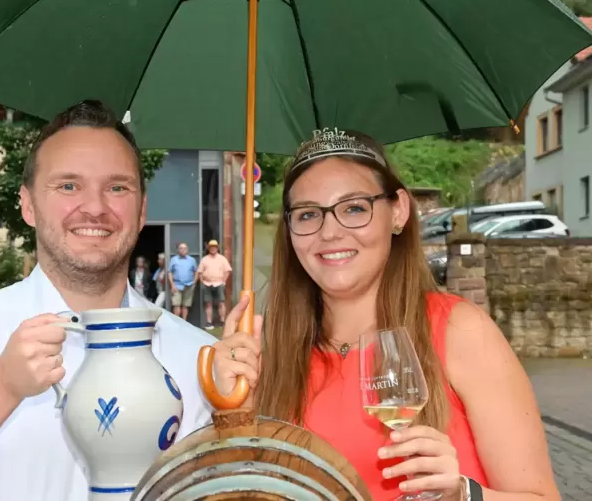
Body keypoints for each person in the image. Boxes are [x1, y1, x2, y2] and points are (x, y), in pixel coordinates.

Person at [0, 100, 218, 501]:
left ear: (141, 211)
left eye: (117, 187)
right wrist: (0, 386)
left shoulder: (202, 359)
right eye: (68, 186)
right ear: (28, 205)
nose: (96, 207)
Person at [213, 129, 561, 501]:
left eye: (354, 208)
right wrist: (232, 410)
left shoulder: (459, 331)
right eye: (308, 214)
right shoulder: (269, 355)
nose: (330, 232)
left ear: (398, 211)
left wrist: (463, 494)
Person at [196, 240, 232, 329]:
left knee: (221, 303)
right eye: (211, 247)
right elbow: (199, 272)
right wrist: (202, 282)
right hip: (207, 284)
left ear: (217, 248)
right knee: (208, 303)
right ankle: (209, 322)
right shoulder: (204, 259)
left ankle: (222, 322)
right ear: (209, 248)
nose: (213, 248)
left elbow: (228, 271)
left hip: (219, 283)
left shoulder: (222, 258)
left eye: (214, 247)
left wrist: (224, 282)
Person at [168, 243, 198, 320]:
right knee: (176, 304)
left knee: (186, 305)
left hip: (189, 285)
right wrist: (172, 285)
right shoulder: (173, 259)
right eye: (181, 248)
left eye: (185, 248)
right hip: (177, 285)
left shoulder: (192, 260)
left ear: (187, 250)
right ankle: (177, 322)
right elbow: (170, 272)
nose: (183, 250)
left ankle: (184, 322)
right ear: (178, 250)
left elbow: (196, 272)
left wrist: (194, 283)